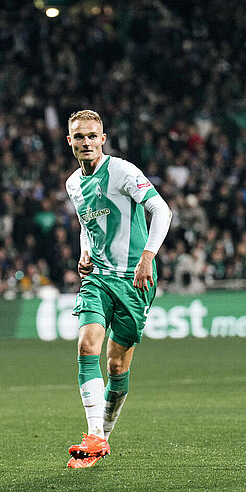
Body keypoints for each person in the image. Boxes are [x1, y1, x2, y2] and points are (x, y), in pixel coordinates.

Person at [63, 110, 172, 469]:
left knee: (116, 365)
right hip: (98, 277)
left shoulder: (123, 171)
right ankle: (94, 434)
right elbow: (87, 225)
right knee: (86, 345)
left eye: (92, 136)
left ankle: (101, 439)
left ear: (103, 139)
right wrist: (84, 251)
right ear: (70, 142)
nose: (87, 142)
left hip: (135, 279)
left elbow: (162, 211)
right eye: (80, 136)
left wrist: (147, 257)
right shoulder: (73, 184)